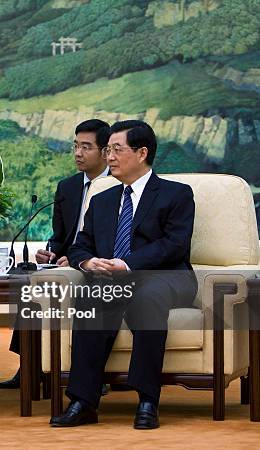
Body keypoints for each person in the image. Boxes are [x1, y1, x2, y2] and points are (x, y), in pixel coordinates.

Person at [49, 120, 197, 429]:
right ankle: (83, 402)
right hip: (112, 280)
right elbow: (80, 246)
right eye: (107, 150)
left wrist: (127, 264)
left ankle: (147, 400)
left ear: (142, 153)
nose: (110, 157)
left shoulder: (176, 194)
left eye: (117, 149)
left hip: (164, 277)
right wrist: (86, 263)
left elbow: (174, 245)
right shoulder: (102, 201)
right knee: (91, 297)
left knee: (146, 296)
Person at [0, 119, 110, 389]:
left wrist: (76, 259)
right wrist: (50, 252)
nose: (78, 153)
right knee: (32, 285)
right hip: (64, 264)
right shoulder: (68, 187)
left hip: (97, 265)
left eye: (86, 147)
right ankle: (31, 365)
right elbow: (60, 236)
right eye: (75, 146)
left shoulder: (119, 187)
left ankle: (89, 372)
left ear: (106, 152)